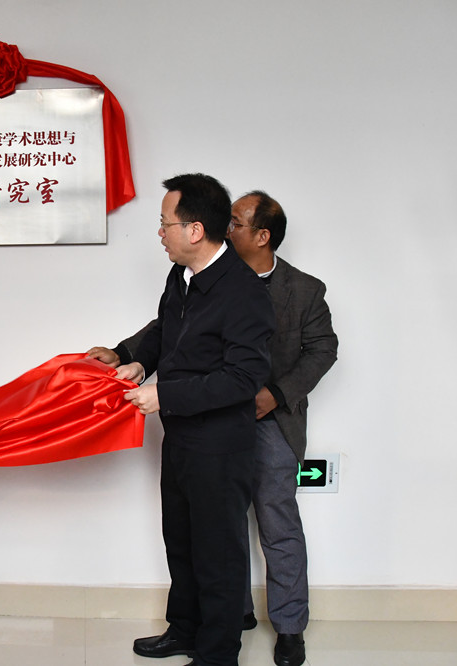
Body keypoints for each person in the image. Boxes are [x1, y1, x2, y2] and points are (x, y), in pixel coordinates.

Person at [88, 191, 338, 666]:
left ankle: (280, 630)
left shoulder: (287, 289)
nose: (229, 225)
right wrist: (132, 358)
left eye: (237, 222)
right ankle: (198, 626)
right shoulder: (191, 275)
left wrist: (273, 394)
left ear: (262, 237)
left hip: (259, 421)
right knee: (190, 536)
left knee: (262, 530)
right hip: (194, 421)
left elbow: (314, 353)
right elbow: (168, 327)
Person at [101, 174, 275, 666]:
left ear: (195, 230)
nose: (160, 233)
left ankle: (217, 654)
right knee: (180, 540)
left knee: (217, 552)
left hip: (220, 445)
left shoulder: (243, 292)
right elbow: (167, 330)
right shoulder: (181, 276)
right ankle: (184, 629)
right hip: (180, 435)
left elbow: (242, 378)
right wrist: (139, 362)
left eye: (165, 223)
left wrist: (164, 394)